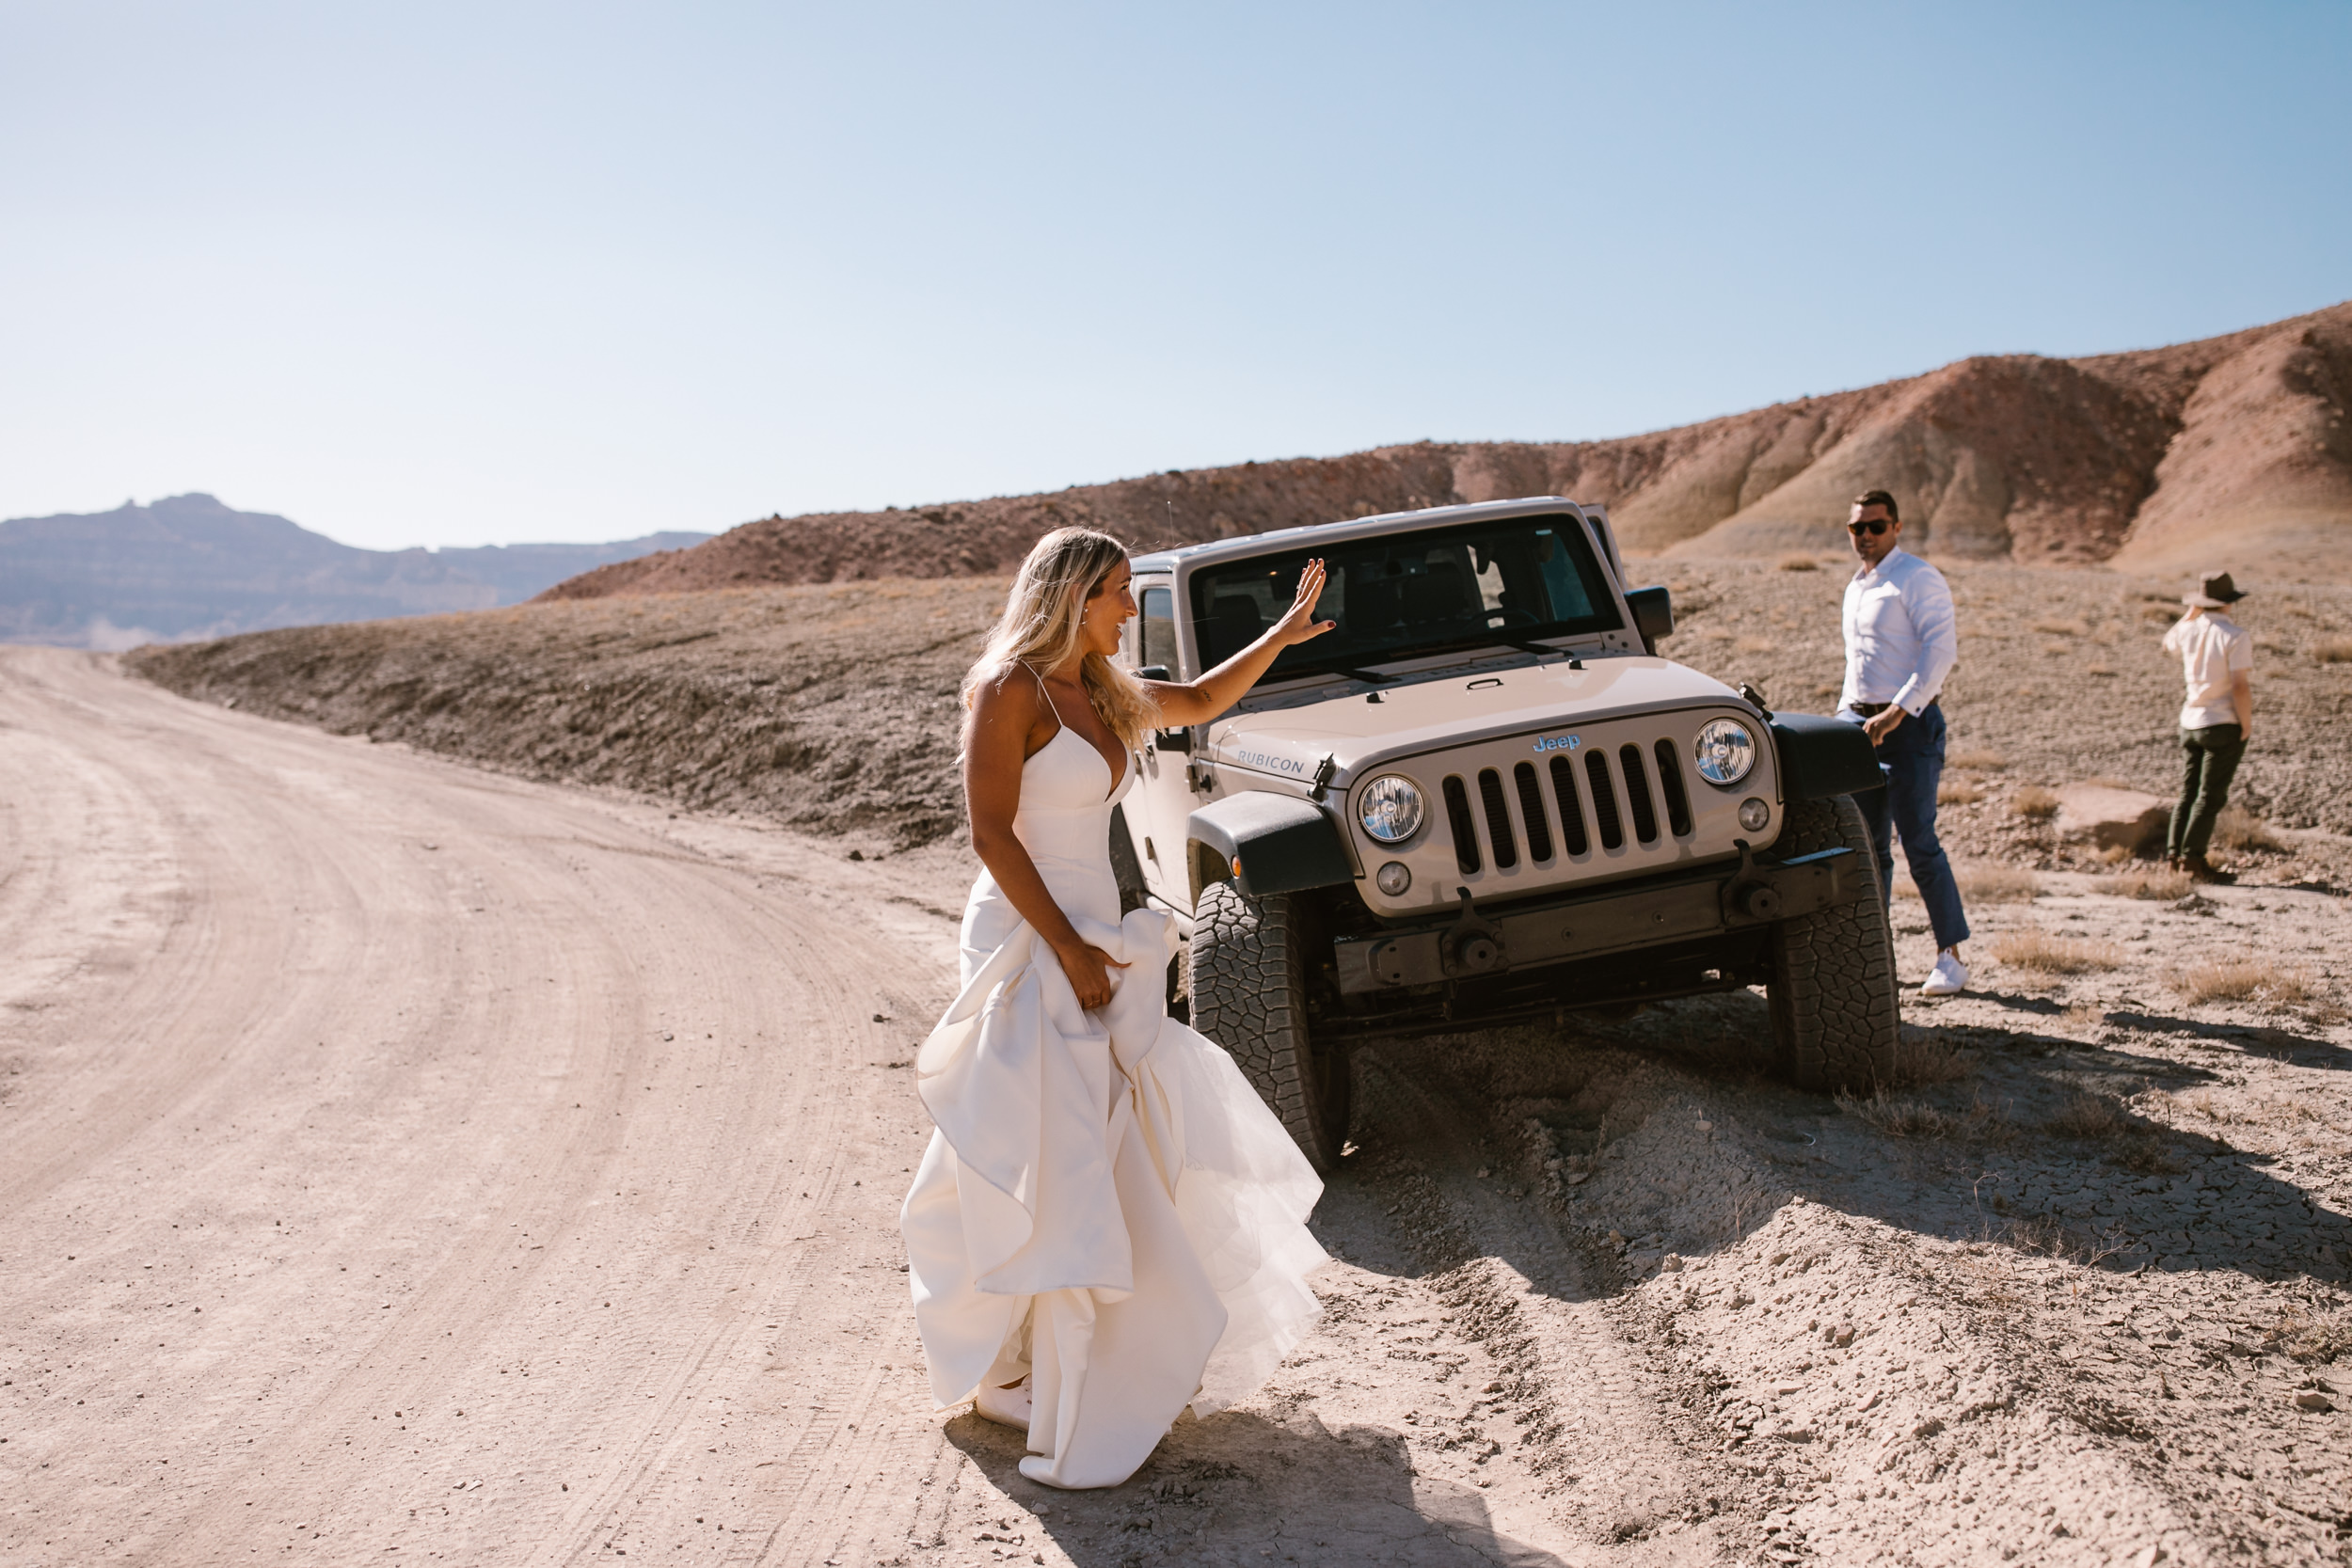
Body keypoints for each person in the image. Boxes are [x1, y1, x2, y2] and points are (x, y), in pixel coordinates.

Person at [899, 526, 1335, 1490]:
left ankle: (1041, 1360)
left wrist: (1280, 636)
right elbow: (987, 830)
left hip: (1095, 927)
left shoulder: (1101, 687)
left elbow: (1201, 699)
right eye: (1117, 593)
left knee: (1092, 1138)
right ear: (1069, 594)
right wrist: (1062, 945)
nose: (1130, 611)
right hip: (1025, 932)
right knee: (1044, 1139)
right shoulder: (1009, 686)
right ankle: (1015, 1366)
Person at [1836, 488, 1971, 997]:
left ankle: (1950, 957)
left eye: (1875, 526)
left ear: (1896, 527)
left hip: (1908, 727)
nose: (1865, 536)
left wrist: (1896, 713)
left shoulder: (1916, 577)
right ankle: (1875, 957)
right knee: (1867, 849)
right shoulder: (1857, 586)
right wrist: (1844, 716)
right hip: (1858, 726)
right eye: (1857, 528)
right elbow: (1860, 661)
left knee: (1919, 843)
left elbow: (1940, 650)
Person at [2162, 571, 2255, 884]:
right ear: (2229, 602)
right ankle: (2193, 861)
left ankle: (2175, 857)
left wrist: (2192, 611)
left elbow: (2167, 643)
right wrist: (2246, 724)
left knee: (2188, 792)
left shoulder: (2188, 630)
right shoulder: (2235, 635)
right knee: (2210, 796)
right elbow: (2240, 686)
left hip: (2190, 720)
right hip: (2222, 721)